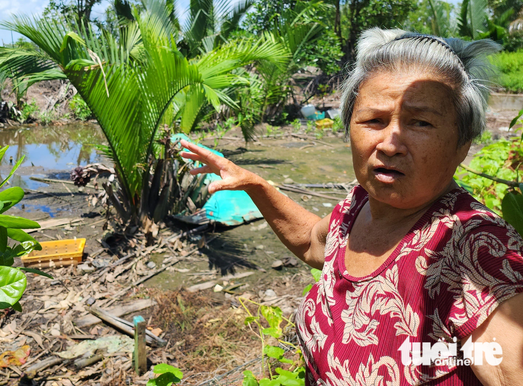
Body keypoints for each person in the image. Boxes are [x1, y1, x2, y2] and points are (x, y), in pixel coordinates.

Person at [180, 28, 523, 385]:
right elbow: (314, 242)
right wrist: (255, 184)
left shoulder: (478, 251)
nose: (390, 144)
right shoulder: (359, 203)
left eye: (420, 122)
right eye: (374, 120)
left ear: (462, 143)